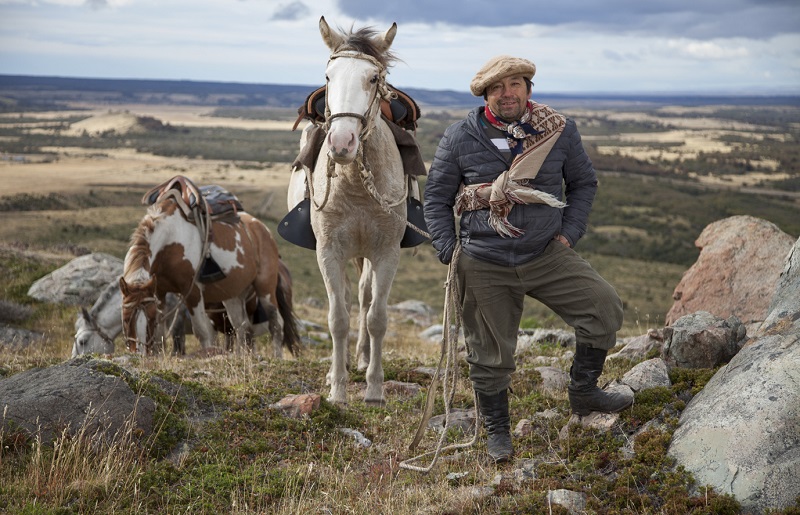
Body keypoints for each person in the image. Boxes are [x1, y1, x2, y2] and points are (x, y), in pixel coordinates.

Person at [423, 55, 633, 463]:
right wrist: (450, 251)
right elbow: (436, 197)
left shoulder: (558, 131)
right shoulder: (459, 137)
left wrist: (569, 233)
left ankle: (584, 392)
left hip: (544, 253)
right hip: (483, 258)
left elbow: (584, 182)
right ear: (486, 94)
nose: (508, 93)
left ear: (528, 89)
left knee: (604, 308)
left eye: (516, 84)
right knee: (489, 352)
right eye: (498, 87)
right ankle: (498, 432)